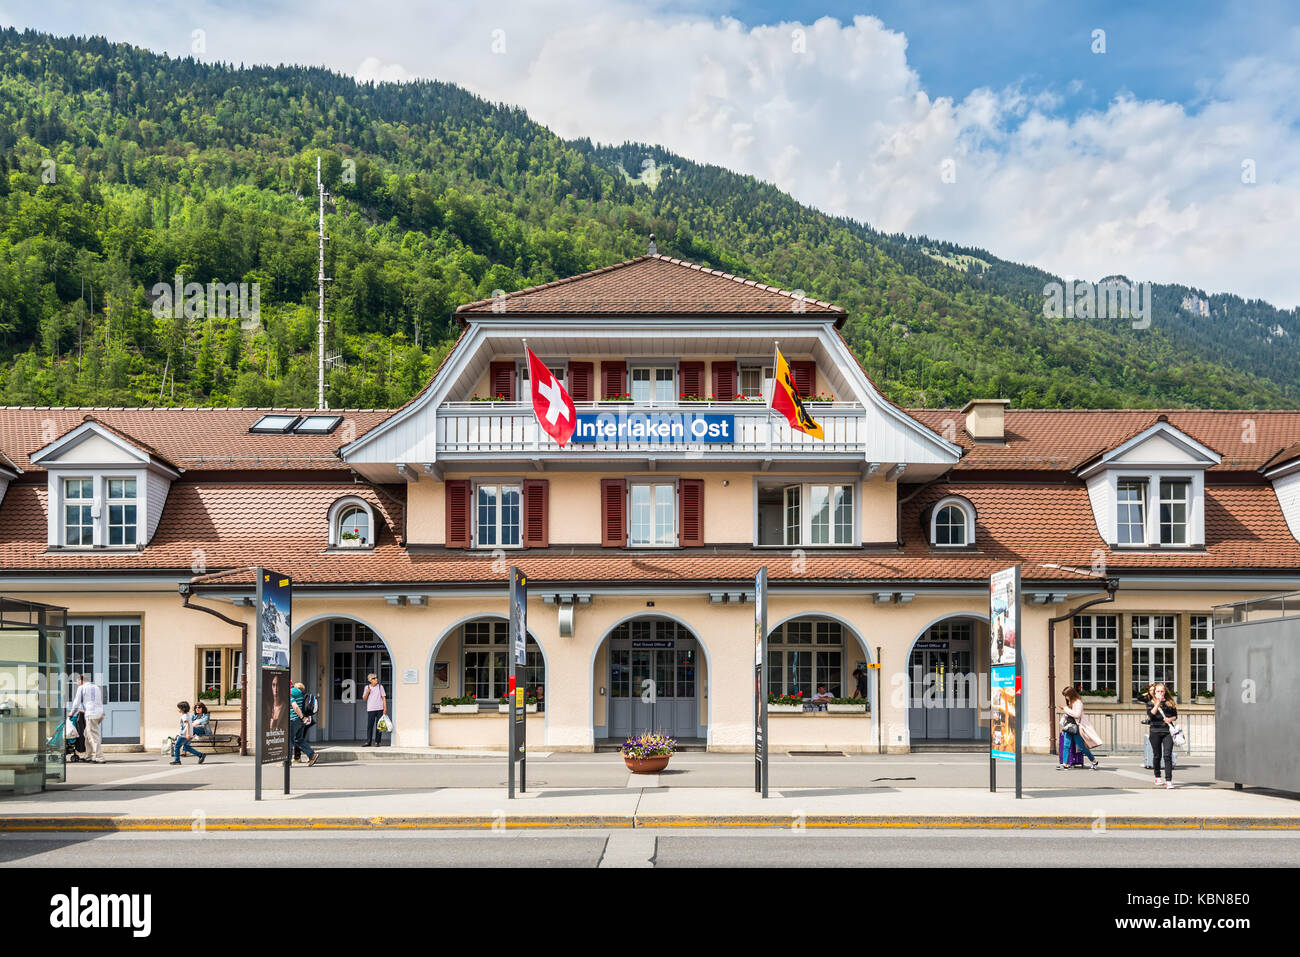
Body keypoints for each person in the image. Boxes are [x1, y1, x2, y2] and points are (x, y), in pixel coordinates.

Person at [1058, 686, 1100, 770]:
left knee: (1081, 747)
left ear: (1071, 694)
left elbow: (1077, 715)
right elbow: (1070, 714)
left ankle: (1094, 761)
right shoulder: (1070, 702)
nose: (1066, 697)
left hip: (1076, 728)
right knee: (1066, 745)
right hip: (1068, 726)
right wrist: (1065, 716)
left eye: (1066, 695)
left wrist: (1066, 709)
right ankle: (1065, 764)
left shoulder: (1078, 703)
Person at [68, 673, 105, 763]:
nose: (77, 683)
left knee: (92, 736)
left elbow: (76, 702)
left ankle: (99, 758)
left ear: (81, 680)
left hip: (91, 714)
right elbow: (94, 701)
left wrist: (71, 713)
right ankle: (88, 756)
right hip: (100, 714)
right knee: (86, 734)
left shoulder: (82, 688)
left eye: (77, 681)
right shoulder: (96, 687)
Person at [1147, 682, 1178, 789]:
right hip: (1155, 731)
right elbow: (1151, 715)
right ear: (1154, 693)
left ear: (1165, 692)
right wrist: (1158, 703)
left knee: (1167, 756)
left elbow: (1175, 716)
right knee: (1157, 755)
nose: (1160, 693)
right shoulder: (1151, 702)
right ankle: (1157, 776)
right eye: (1158, 691)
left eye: (1162, 691)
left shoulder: (1170, 702)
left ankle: (1169, 780)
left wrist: (1170, 719)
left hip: (1167, 732)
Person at [290, 682, 319, 766]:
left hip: (294, 719)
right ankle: (312, 755)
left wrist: (302, 717)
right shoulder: (300, 693)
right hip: (301, 721)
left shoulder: (290, 692)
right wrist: (303, 718)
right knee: (299, 740)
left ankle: (287, 762)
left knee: (289, 741)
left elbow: (295, 706)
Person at [362, 673, 387, 747]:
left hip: (380, 708)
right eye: (374, 678)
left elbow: (383, 698)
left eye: (376, 678)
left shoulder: (380, 687)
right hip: (371, 709)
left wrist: (385, 708)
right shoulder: (367, 687)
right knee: (370, 726)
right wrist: (367, 692)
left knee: (379, 726)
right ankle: (368, 742)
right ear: (370, 680)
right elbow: (364, 699)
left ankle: (377, 742)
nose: (376, 679)